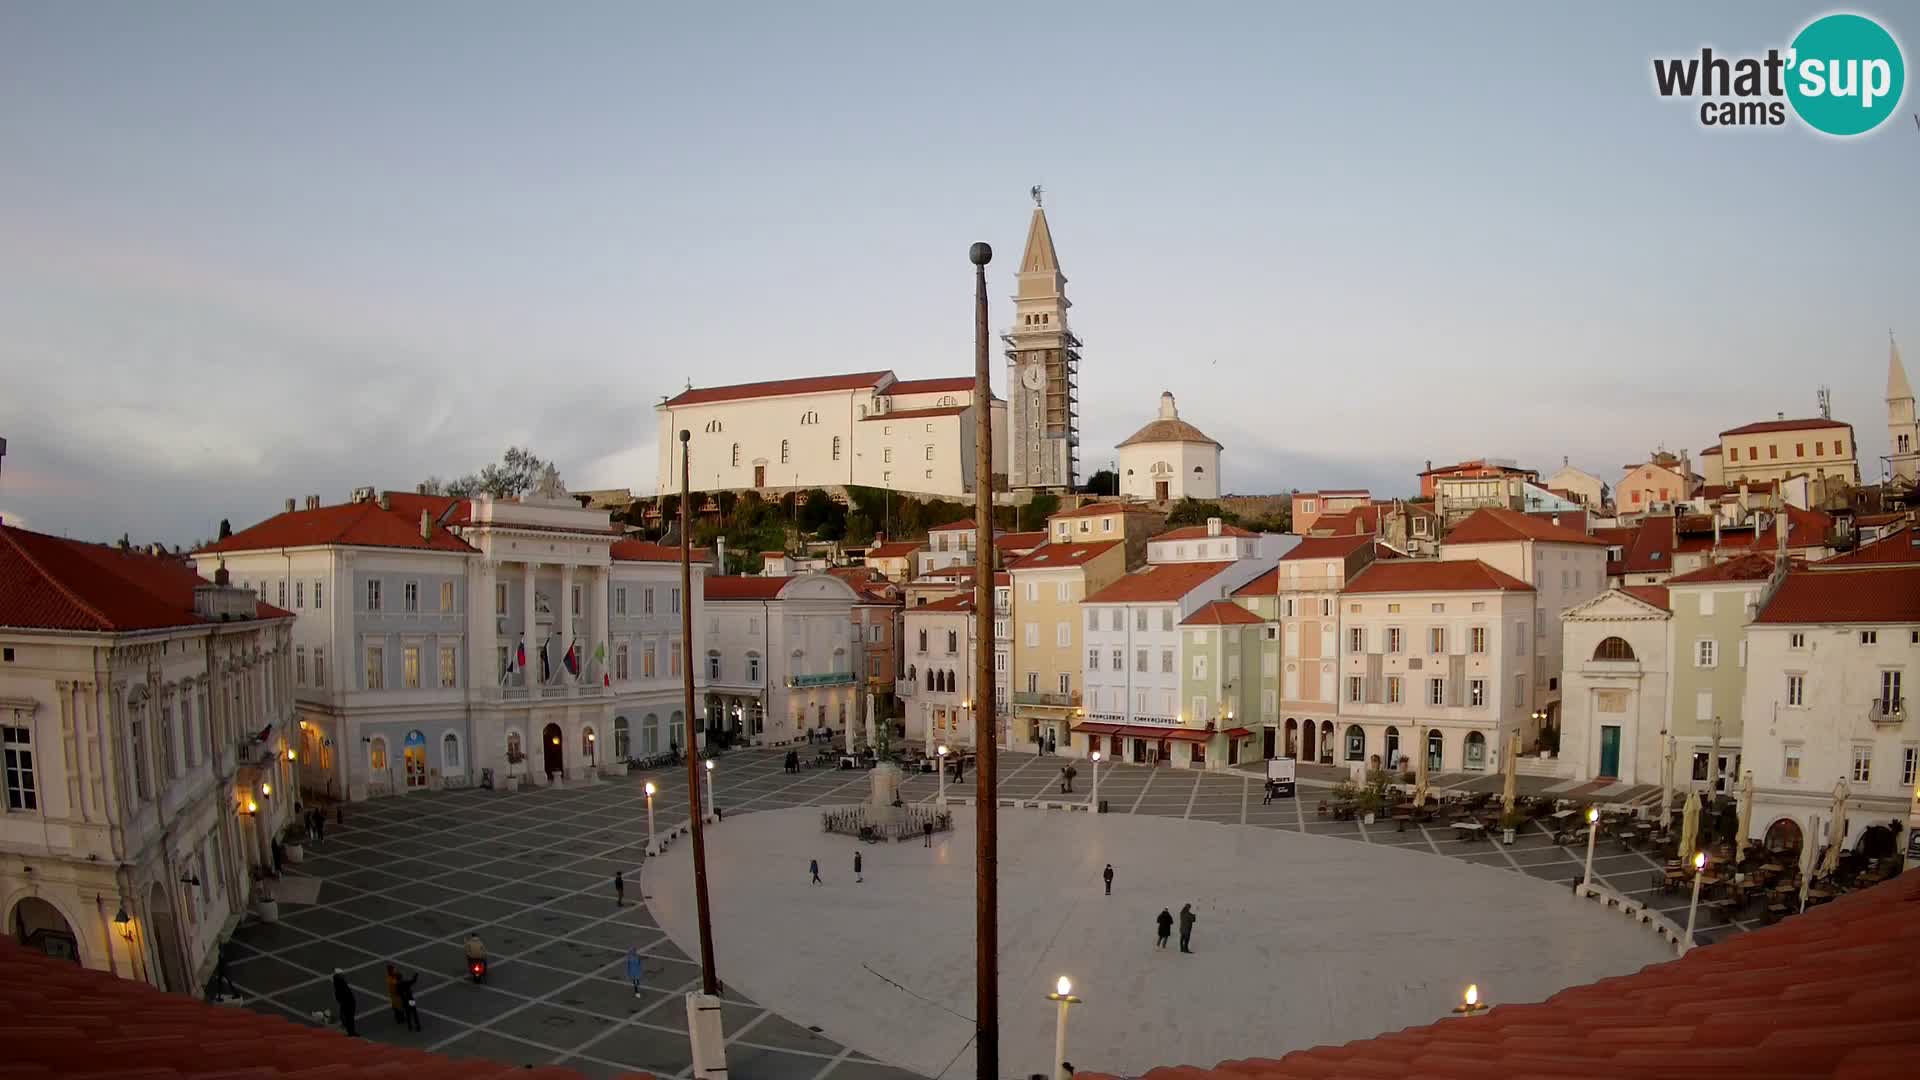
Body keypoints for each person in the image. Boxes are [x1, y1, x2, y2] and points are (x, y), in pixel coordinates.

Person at [331, 968, 357, 1036]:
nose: (343, 975)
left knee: (345, 1016)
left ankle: (349, 1030)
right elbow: (345, 993)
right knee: (349, 1017)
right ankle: (351, 1032)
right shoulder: (341, 983)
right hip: (347, 1002)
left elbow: (338, 994)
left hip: (345, 1002)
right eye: (342, 974)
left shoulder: (337, 982)